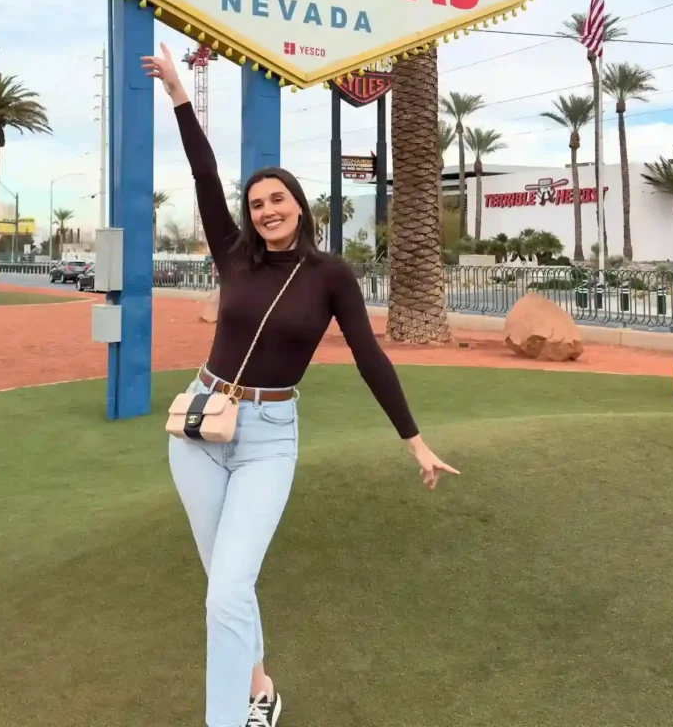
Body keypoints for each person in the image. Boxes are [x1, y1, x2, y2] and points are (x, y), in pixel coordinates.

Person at [143, 44, 459, 727]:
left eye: (276, 199)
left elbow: (371, 356)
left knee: (227, 585)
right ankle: (260, 688)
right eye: (256, 203)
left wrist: (414, 441)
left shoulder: (330, 275)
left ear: (298, 205)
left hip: (267, 438)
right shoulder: (233, 256)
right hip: (199, 427)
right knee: (225, 588)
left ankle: (227, 718)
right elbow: (203, 173)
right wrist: (177, 94)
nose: (264, 210)